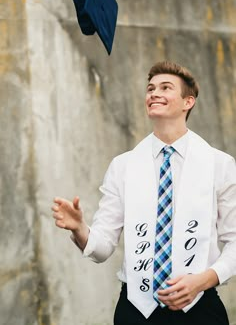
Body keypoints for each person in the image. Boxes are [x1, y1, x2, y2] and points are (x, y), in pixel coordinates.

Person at [52, 61, 236, 325]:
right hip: (135, 311)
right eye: (150, 89)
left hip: (200, 309)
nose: (154, 93)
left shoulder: (219, 164)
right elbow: (102, 247)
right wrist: (80, 229)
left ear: (188, 102)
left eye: (165, 87)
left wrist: (203, 281)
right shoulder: (123, 166)